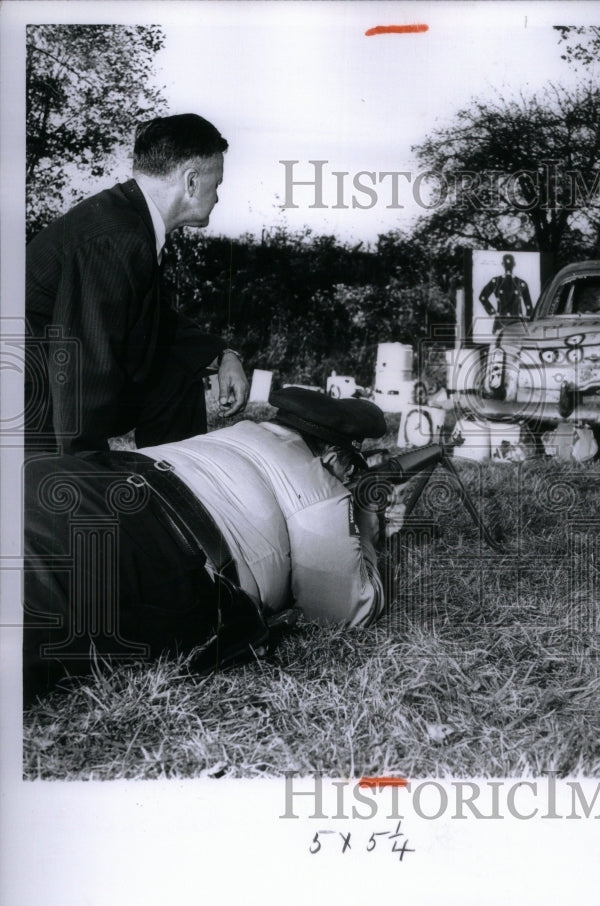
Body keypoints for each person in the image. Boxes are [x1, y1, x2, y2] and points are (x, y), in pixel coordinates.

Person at [23, 388, 404, 703]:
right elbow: (344, 610)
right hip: (149, 542)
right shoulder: (318, 486)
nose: (350, 480)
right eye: (352, 470)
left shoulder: (244, 432)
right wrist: (368, 528)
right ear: (333, 456)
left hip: (70, 477)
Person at [25, 113, 248, 454]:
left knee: (177, 373)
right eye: (216, 184)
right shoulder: (116, 237)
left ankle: (173, 482)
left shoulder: (129, 219)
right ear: (190, 182)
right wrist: (84, 479)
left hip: (47, 384)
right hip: (30, 405)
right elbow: (85, 368)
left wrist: (223, 354)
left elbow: (156, 319)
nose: (217, 197)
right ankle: (170, 488)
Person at [478, 253, 534, 339]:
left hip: (517, 321)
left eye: (510, 263)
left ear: (514, 264)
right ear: (502, 264)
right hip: (501, 321)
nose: (508, 266)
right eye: (506, 263)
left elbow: (528, 305)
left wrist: (528, 320)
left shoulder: (520, 283)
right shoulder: (496, 281)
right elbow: (483, 297)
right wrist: (492, 312)